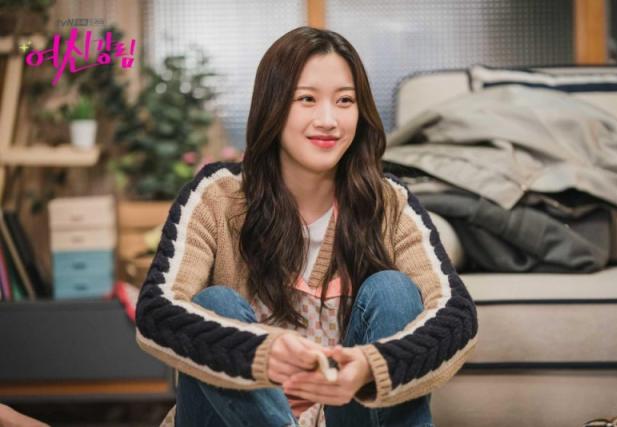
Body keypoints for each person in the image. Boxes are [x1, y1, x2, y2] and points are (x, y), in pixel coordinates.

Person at [135, 26, 478, 427]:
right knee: (215, 304)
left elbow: (456, 316)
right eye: (307, 99)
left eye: (345, 100)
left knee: (394, 290)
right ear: (273, 106)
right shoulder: (216, 195)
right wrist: (256, 352)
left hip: (348, 416)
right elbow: (157, 310)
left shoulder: (389, 203)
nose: (328, 120)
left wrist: (371, 367)